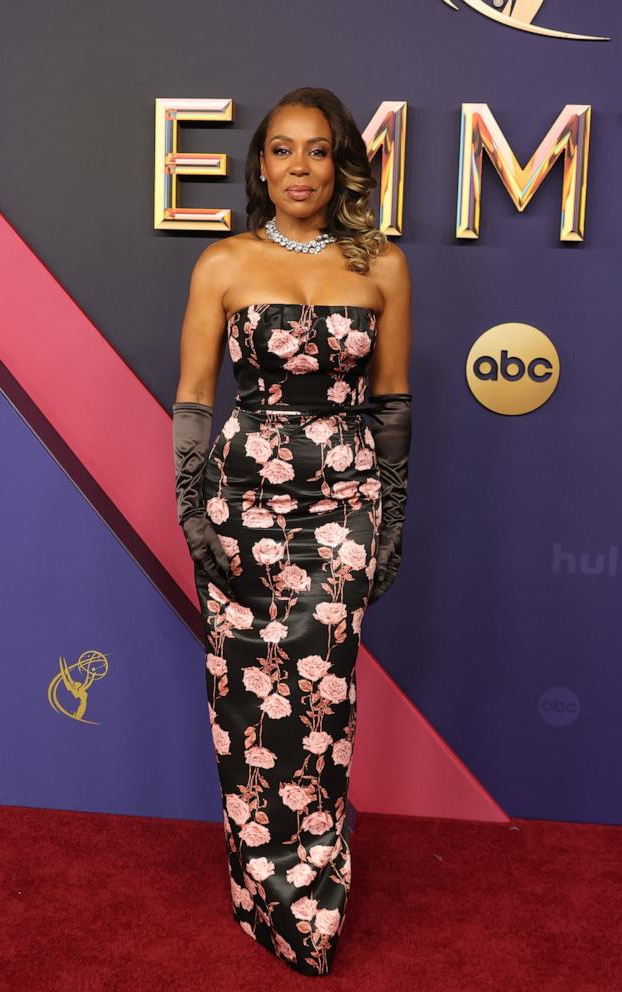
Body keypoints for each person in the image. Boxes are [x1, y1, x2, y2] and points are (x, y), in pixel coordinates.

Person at [172, 86, 412, 976]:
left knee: (321, 702)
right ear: (260, 165)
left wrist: (391, 522)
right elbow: (195, 401)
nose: (299, 168)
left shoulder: (381, 265)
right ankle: (256, 893)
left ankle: (312, 900)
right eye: (281, 150)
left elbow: (391, 407)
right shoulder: (223, 263)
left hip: (346, 505)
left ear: (341, 162)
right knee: (245, 700)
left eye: (316, 151)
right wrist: (192, 512)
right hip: (243, 506)